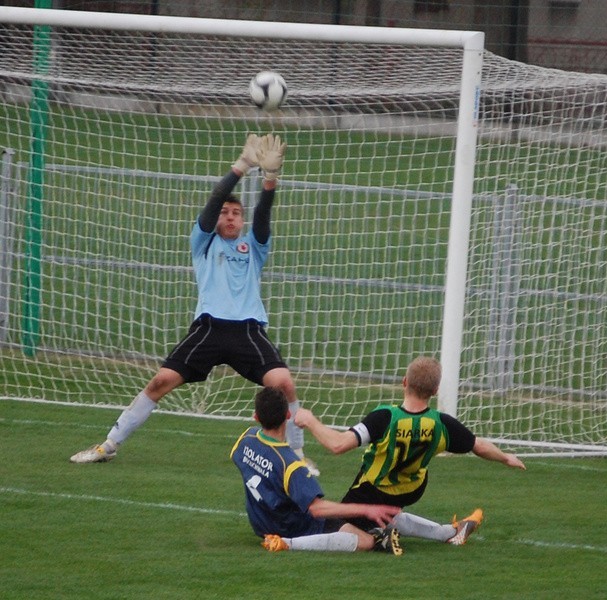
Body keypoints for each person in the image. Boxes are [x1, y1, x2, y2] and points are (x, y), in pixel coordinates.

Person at [70, 133, 317, 474]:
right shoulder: (202, 242)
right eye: (226, 213)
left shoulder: (253, 247)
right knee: (159, 383)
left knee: (284, 384)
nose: (230, 217)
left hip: (247, 330)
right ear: (217, 219)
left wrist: (270, 181)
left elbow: (263, 216)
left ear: (241, 222)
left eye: (236, 214)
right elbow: (214, 200)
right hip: (209, 329)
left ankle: (299, 455)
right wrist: (242, 167)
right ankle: (108, 444)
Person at [294, 356, 527, 545]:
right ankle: (449, 531)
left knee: (333, 525)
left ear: (404, 381)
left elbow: (338, 445)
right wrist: (506, 458)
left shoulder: (385, 418)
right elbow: (479, 446)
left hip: (374, 489)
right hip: (412, 489)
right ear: (435, 390)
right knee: (383, 514)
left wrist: (311, 421)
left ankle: (380, 538)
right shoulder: (442, 424)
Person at [231, 387, 403, 554]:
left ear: (256, 416)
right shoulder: (290, 464)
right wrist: (366, 509)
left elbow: (246, 462)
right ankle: (287, 544)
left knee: (351, 524)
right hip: (292, 527)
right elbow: (317, 509)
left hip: (261, 523)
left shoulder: (246, 439)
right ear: (288, 415)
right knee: (367, 541)